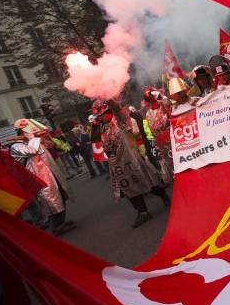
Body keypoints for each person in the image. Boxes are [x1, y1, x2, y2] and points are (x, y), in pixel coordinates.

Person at [91, 99, 171, 228]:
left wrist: (107, 96)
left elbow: (117, 109)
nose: (100, 118)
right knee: (128, 189)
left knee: (149, 182)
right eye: (99, 116)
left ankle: (163, 195)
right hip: (117, 164)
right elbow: (94, 140)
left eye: (102, 115)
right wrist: (95, 124)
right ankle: (142, 212)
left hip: (132, 159)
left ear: (108, 111)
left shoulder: (120, 120)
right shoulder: (102, 127)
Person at [10, 119, 76, 236]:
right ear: (21, 131)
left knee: (61, 196)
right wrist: (32, 138)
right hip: (40, 177)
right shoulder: (16, 146)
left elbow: (51, 145)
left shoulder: (34, 140)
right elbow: (32, 150)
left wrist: (45, 137)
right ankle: (57, 227)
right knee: (51, 202)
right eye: (28, 129)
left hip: (52, 174)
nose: (31, 131)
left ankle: (62, 222)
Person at [144, 88, 175, 185]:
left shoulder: (164, 106)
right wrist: (155, 147)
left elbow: (168, 103)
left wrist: (158, 94)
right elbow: (150, 131)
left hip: (172, 138)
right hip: (160, 144)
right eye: (149, 99)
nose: (152, 100)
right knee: (170, 167)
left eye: (153, 97)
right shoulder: (148, 113)